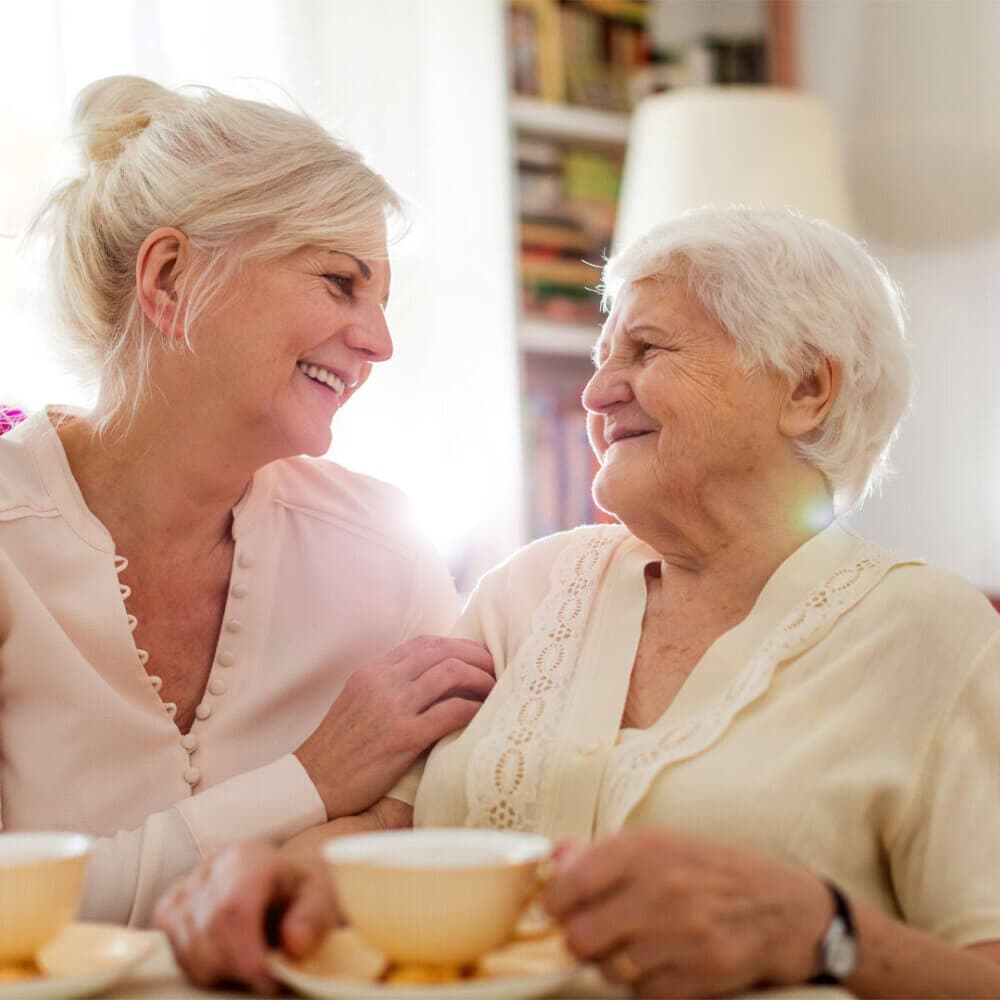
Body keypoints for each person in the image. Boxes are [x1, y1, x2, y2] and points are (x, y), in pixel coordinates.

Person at [157, 208, 1000, 998]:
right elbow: (387, 825)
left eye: (647, 350)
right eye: (602, 358)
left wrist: (826, 933)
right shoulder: (531, 587)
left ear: (807, 387)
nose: (596, 394)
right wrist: (279, 883)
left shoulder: (933, 632)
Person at [0, 75, 496, 927]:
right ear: (169, 279)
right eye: (340, 282)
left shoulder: (384, 548)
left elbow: (455, 833)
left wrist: (353, 837)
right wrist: (308, 786)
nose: (380, 342)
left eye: (382, 301)